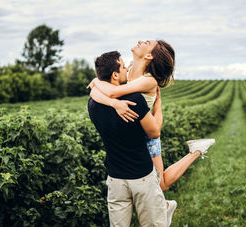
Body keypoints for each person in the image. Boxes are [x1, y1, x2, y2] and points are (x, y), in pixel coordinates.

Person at [88, 40, 215, 196]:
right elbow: (96, 93)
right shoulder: (127, 71)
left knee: (160, 184)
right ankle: (161, 208)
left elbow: (111, 92)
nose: (140, 41)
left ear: (149, 55)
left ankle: (196, 151)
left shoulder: (148, 80)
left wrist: (96, 83)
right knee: (149, 185)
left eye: (146, 43)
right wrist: (110, 100)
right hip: (130, 133)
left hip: (146, 135)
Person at [88, 51, 168, 226]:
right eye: (124, 67)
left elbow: (96, 92)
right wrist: (158, 107)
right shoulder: (134, 100)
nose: (127, 70)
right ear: (115, 75)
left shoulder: (93, 103)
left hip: (115, 178)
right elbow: (154, 132)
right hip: (142, 177)